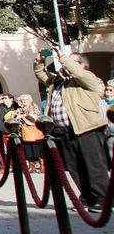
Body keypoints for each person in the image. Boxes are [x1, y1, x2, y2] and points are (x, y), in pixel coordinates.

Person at [35, 49, 109, 212]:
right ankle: (87, 197)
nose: (64, 64)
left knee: (93, 165)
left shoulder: (89, 79)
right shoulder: (58, 82)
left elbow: (79, 74)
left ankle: (103, 199)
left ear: (83, 66)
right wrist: (39, 61)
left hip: (86, 128)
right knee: (74, 166)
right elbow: (42, 75)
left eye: (72, 61)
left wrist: (62, 57)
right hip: (63, 131)